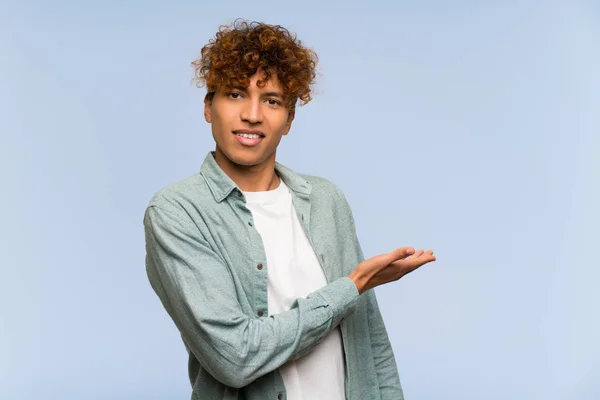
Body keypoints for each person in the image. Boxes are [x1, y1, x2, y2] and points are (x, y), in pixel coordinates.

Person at [143, 19, 436, 400]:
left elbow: (371, 343)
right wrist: (352, 287)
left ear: (289, 119)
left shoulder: (326, 199)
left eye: (272, 100)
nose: (252, 114)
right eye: (234, 94)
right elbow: (234, 356)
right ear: (208, 108)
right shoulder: (177, 212)